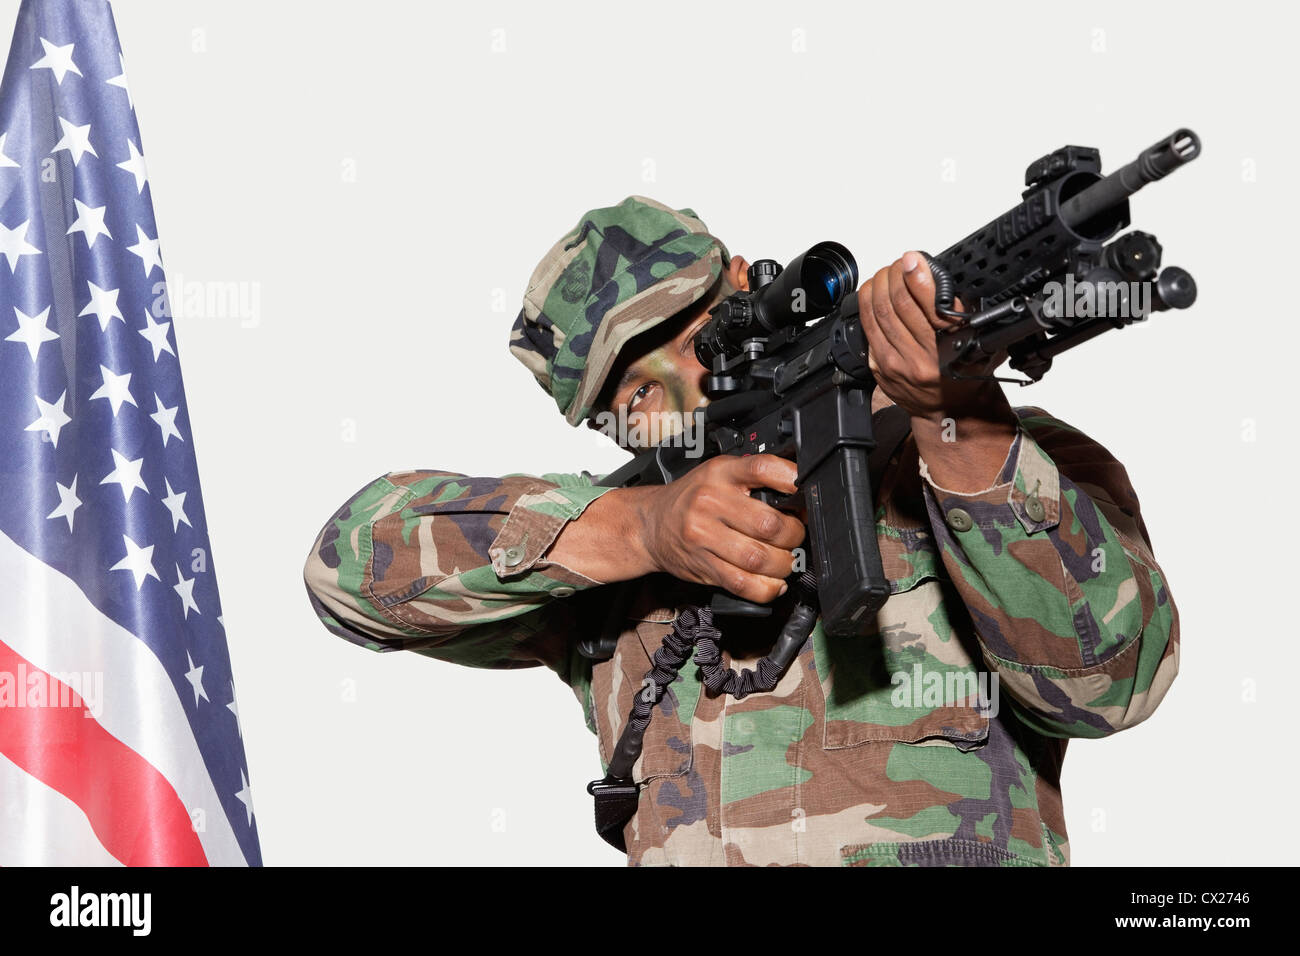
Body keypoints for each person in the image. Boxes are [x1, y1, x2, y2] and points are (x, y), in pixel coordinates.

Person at [302, 195, 1179, 867]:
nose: (685, 384)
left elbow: (1112, 687)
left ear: (753, 291)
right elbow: (347, 570)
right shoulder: (604, 574)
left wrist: (962, 425)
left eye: (691, 331)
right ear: (609, 430)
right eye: (638, 393)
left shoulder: (999, 460)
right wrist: (641, 531)